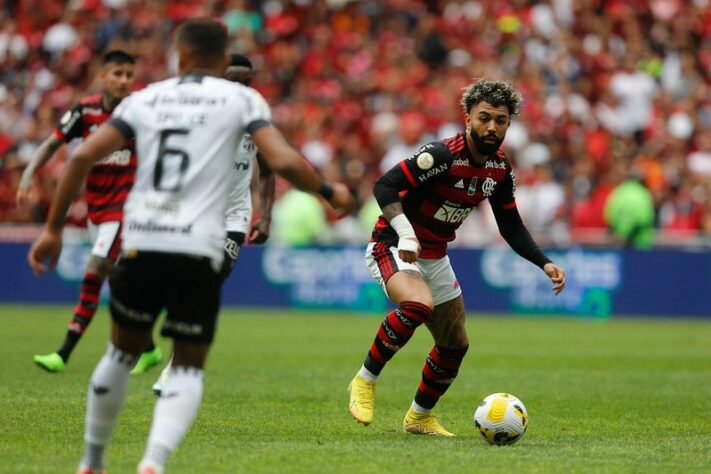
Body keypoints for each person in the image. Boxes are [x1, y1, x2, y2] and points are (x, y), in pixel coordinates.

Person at [28, 18, 352, 474]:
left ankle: (92, 461)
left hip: (141, 241)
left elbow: (81, 155)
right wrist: (329, 191)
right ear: (223, 60)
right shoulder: (242, 98)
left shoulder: (145, 98)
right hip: (199, 247)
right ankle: (153, 463)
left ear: (179, 54)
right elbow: (279, 159)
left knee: (119, 353)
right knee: (188, 368)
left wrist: (53, 230)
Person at [347, 79, 566, 437]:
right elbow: (384, 186)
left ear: (509, 125)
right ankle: (364, 380)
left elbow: (510, 226)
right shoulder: (442, 155)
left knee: (455, 345)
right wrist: (405, 232)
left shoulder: (498, 171)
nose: (492, 126)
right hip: (394, 244)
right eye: (484, 118)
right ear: (467, 119)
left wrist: (544, 262)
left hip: (434, 255)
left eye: (500, 120)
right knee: (419, 305)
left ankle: (419, 418)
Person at [17, 50, 162, 374]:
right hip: (97, 211)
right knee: (119, 285)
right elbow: (53, 143)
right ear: (103, 76)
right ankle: (149, 349)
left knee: (94, 271)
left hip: (127, 210)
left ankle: (63, 353)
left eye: (129, 74)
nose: (124, 80)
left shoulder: (142, 110)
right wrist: (28, 175)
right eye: (118, 74)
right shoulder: (85, 110)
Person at [151, 52, 276, 395]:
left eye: (247, 82)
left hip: (233, 218)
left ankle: (175, 368)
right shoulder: (198, 116)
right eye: (235, 81)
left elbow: (267, 168)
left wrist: (265, 215)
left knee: (206, 286)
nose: (242, 88)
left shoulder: (256, 120)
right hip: (193, 215)